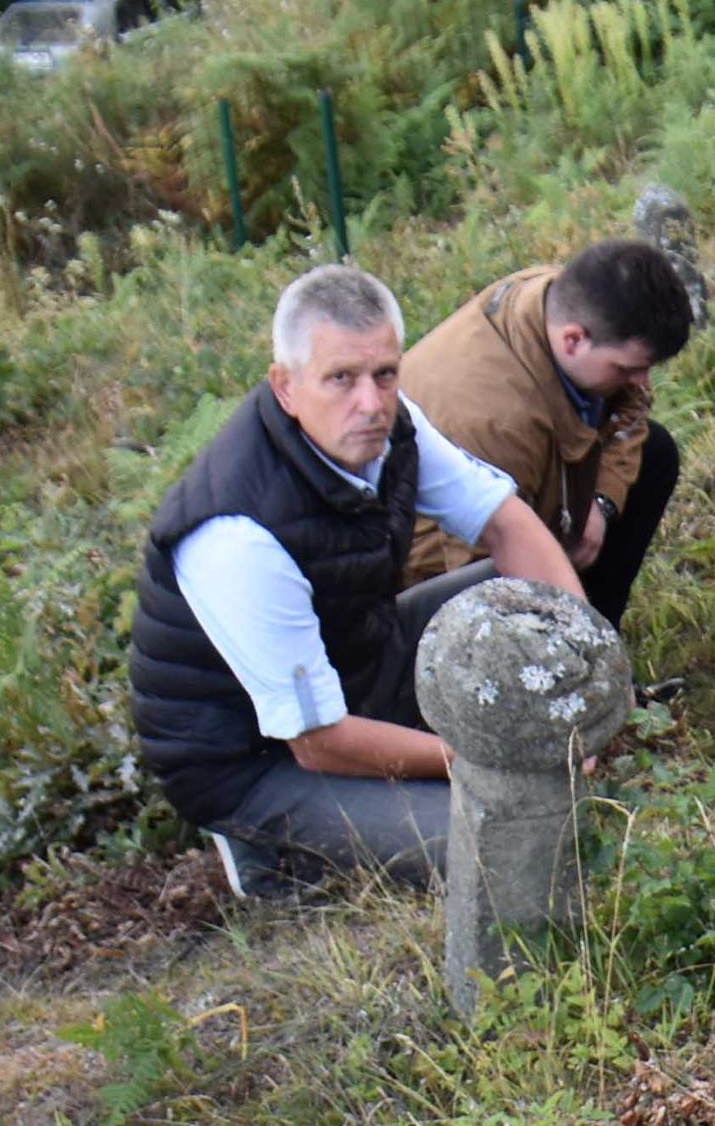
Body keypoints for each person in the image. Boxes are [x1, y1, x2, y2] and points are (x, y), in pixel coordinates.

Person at [129, 265, 592, 890]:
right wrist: (497, 761)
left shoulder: (392, 427)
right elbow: (317, 741)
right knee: (515, 845)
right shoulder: (238, 535)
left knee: (516, 596)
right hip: (257, 757)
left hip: (355, 660)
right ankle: (264, 848)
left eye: (384, 374)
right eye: (340, 378)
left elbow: (509, 525)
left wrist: (582, 675)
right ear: (286, 388)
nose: (370, 404)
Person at [401, 238, 694, 627]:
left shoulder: (563, 300)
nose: (641, 381)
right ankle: (574, 657)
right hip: (429, 571)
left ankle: (601, 635)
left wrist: (603, 503)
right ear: (573, 340)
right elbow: (480, 579)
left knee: (654, 454)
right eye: (627, 368)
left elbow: (630, 414)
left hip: (533, 484)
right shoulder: (495, 421)